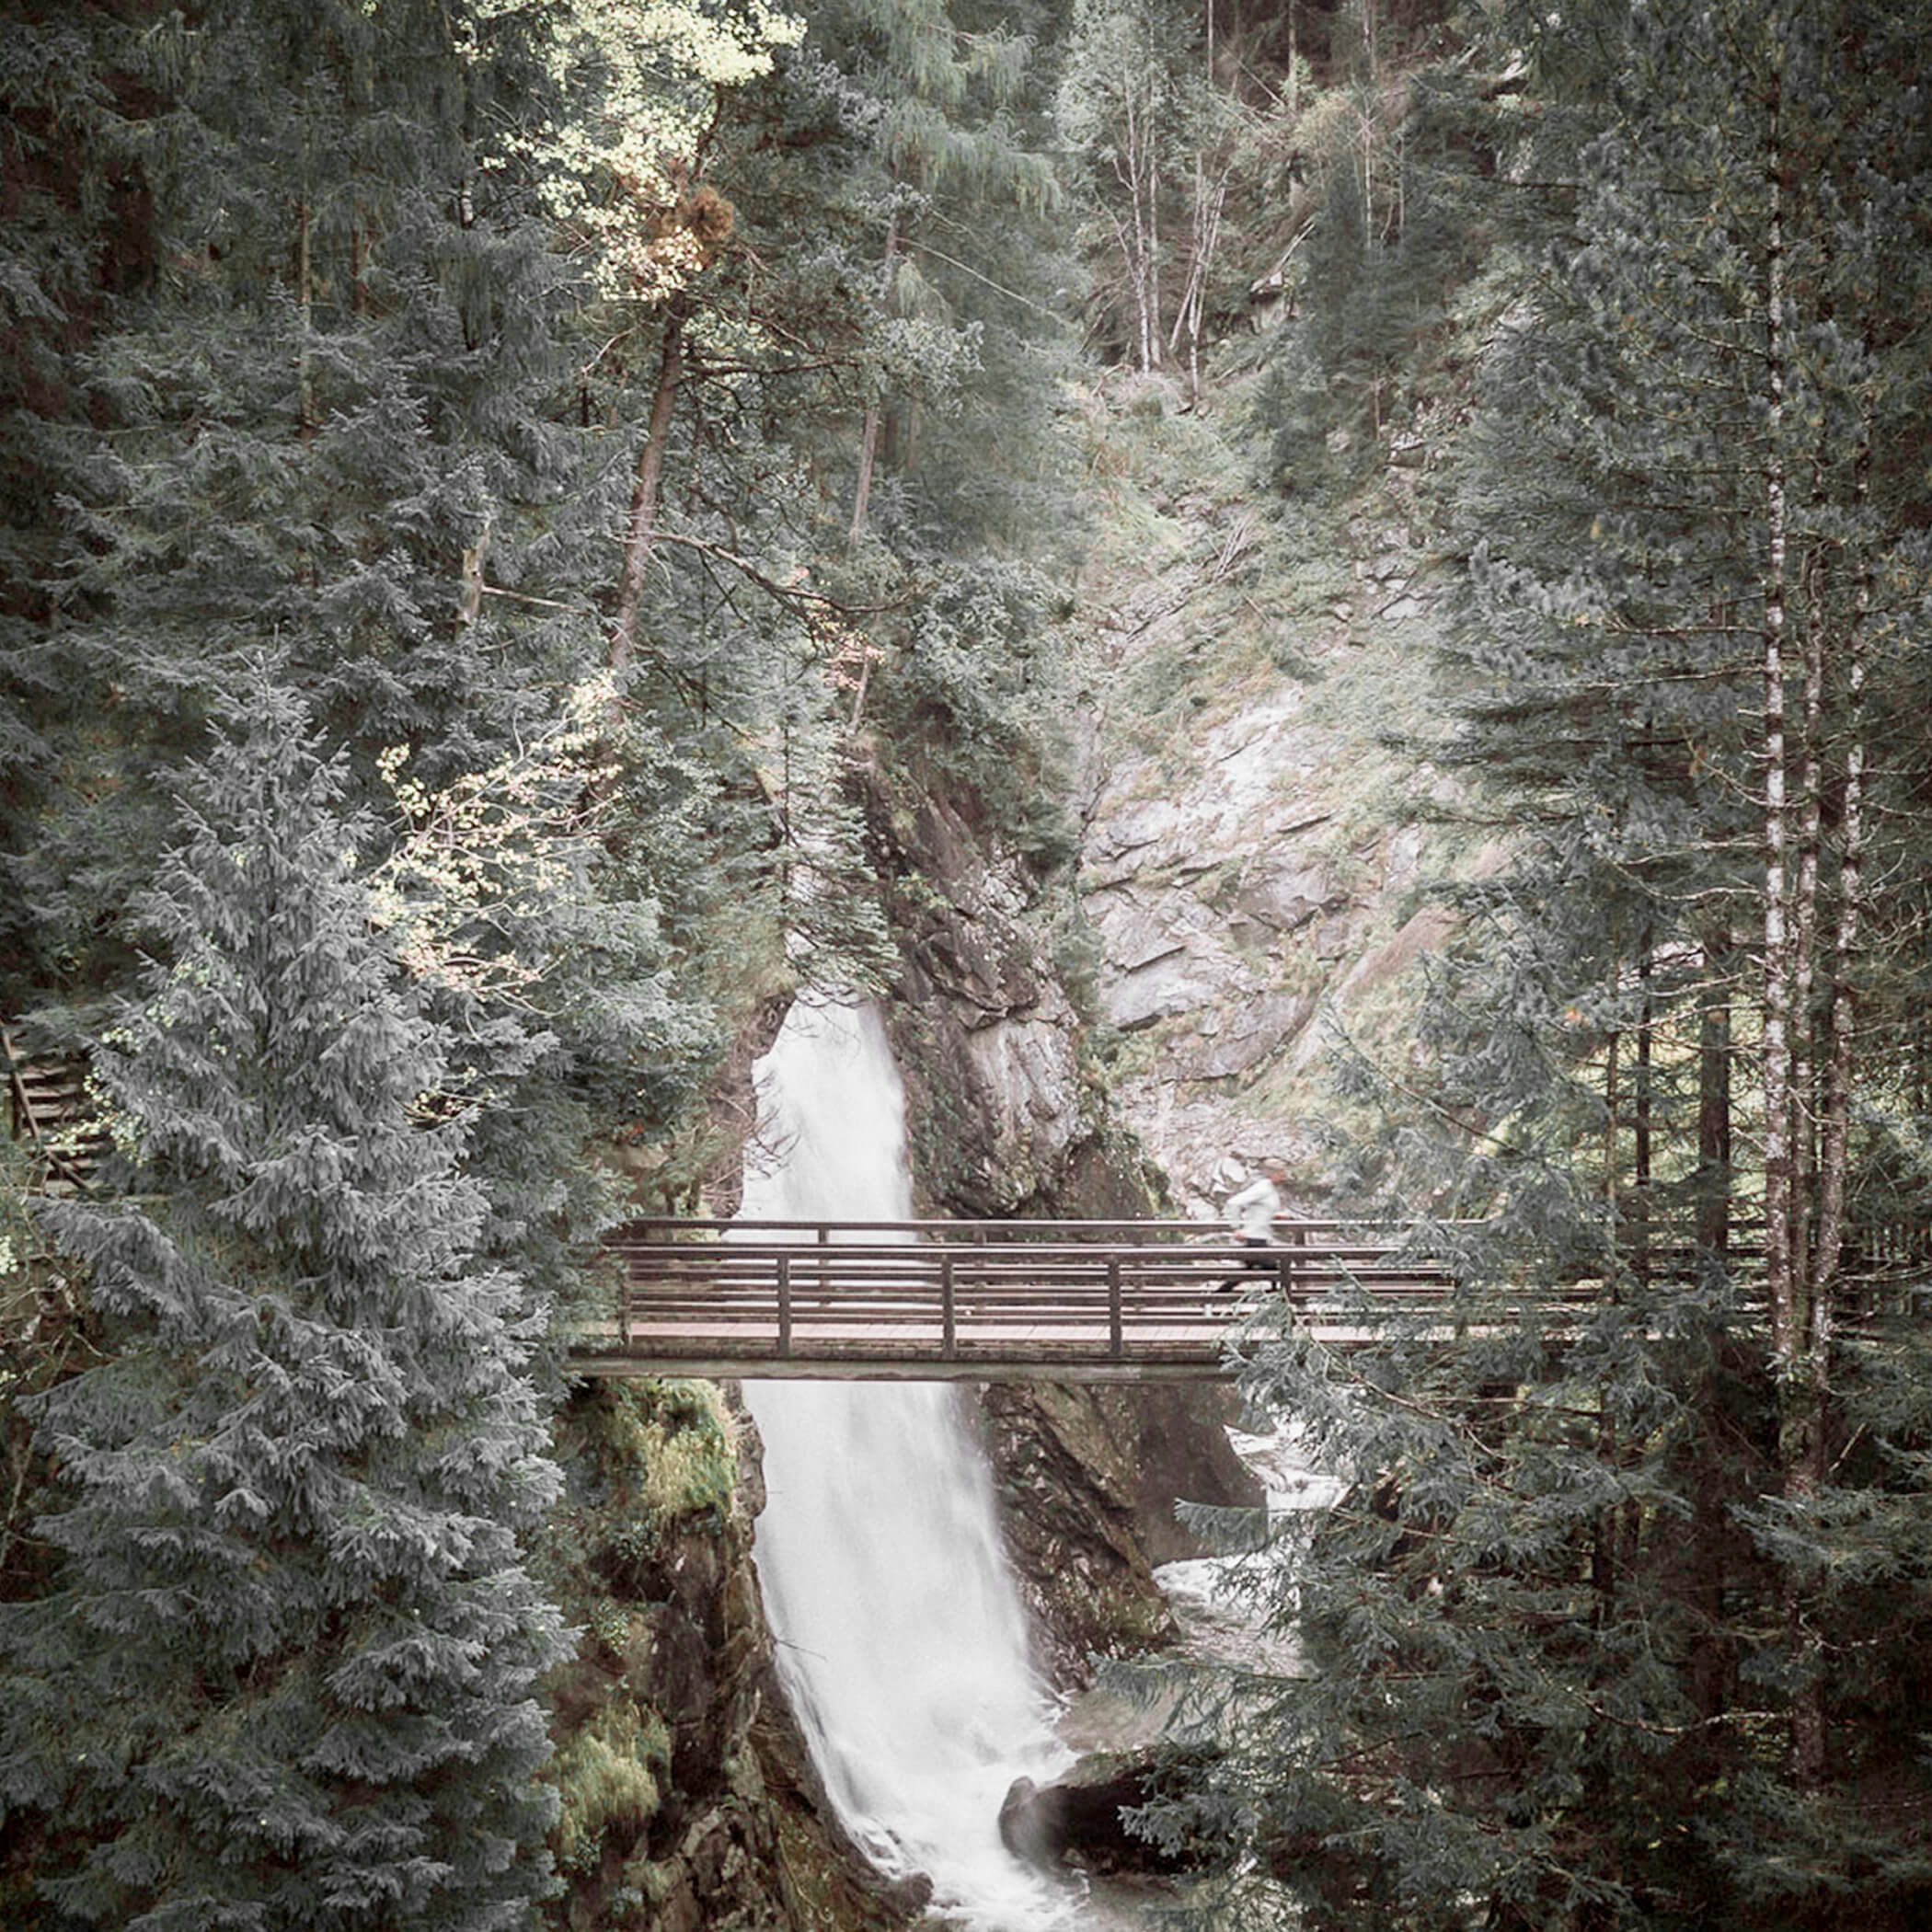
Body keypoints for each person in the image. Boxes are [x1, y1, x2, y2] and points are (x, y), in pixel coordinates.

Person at [1219, 1157, 1288, 1292]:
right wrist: (1236, 1227)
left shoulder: (1269, 1188)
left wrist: (1275, 1215)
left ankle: (1217, 1295)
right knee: (1275, 1271)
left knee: (1252, 1271)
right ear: (1272, 1173)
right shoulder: (1263, 1188)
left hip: (1260, 1237)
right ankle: (1281, 1299)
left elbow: (1262, 1209)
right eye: (1281, 1173)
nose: (1284, 1176)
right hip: (1254, 1238)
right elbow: (1235, 1202)